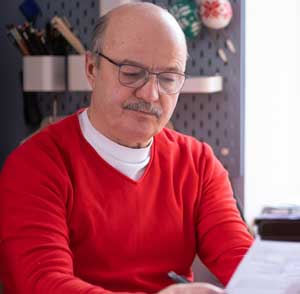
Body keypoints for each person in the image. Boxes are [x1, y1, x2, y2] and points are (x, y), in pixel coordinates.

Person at [0, 3, 253, 293]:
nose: (150, 94)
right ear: (92, 69)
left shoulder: (198, 163)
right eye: (131, 73)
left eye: (169, 78)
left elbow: (243, 262)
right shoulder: (36, 165)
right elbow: (43, 284)